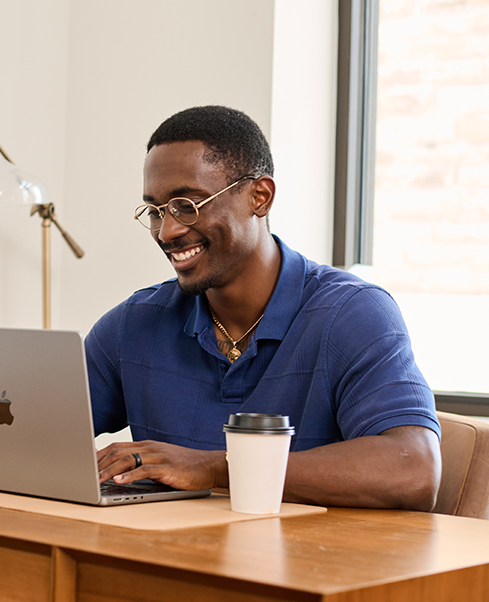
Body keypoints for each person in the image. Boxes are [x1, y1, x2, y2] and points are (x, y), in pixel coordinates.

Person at [87, 105, 441, 510]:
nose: (168, 231)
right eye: (156, 211)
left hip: (308, 564)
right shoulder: (135, 323)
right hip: (169, 559)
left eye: (188, 205)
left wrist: (217, 468)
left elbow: (414, 470)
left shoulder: (351, 313)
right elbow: (35, 433)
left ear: (260, 196)